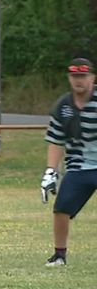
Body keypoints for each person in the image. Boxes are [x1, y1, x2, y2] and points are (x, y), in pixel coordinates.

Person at [41, 57, 97, 267]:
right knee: (61, 209)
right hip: (79, 166)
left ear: (93, 78)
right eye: (75, 76)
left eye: (83, 76)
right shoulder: (63, 106)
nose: (79, 81)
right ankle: (59, 255)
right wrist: (50, 172)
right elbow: (56, 140)